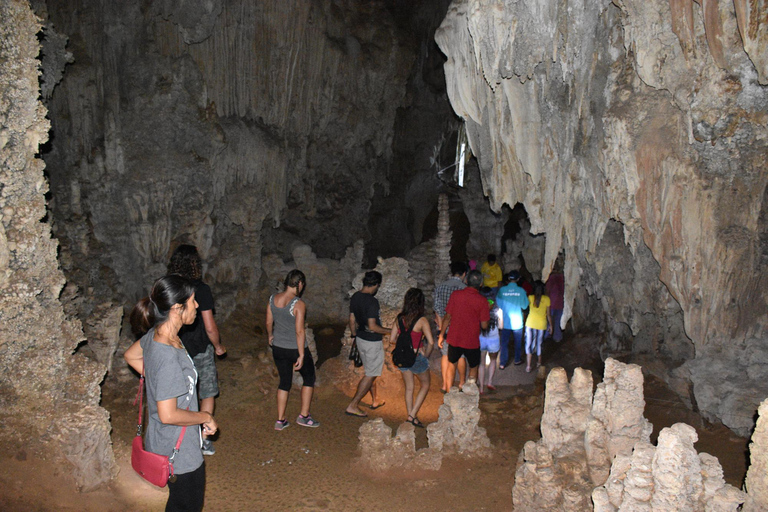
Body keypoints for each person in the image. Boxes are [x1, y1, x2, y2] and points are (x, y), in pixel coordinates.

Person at [124, 275, 218, 512]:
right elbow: (168, 414)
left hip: (164, 439)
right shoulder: (166, 354)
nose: (197, 306)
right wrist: (205, 417)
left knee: (178, 504)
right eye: (193, 301)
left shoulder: (159, 335)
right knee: (187, 505)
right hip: (179, 452)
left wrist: (162, 383)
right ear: (177, 308)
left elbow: (131, 356)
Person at [167, 244, 226, 455]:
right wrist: (218, 346)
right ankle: (203, 438)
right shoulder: (200, 290)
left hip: (173, 348)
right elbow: (209, 326)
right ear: (195, 265)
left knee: (178, 394)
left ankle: (178, 438)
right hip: (200, 348)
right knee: (207, 391)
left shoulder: (168, 287)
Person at [266, 270, 319, 430]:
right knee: (309, 378)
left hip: (278, 348)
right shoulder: (298, 304)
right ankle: (304, 416)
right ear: (300, 284)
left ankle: (280, 420)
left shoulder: (272, 299)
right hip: (294, 349)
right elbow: (299, 331)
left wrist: (270, 336)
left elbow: (269, 322)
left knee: (284, 382)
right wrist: (302, 354)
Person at [345, 271, 391, 417]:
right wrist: (391, 331)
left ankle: (375, 399)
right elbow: (373, 326)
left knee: (370, 371)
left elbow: (352, 319)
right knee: (371, 374)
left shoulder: (356, 297)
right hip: (372, 342)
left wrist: (354, 335)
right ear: (376, 284)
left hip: (360, 339)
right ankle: (353, 405)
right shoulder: (372, 301)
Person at [437, 270, 490, 389]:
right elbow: (484, 326)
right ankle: (469, 393)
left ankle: (449, 392)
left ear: (466, 281)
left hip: (454, 337)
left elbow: (447, 317)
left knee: (452, 364)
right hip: (471, 340)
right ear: (481, 284)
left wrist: (441, 334)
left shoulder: (456, 295)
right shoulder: (482, 301)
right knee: (473, 366)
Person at [390, 288, 434, 427]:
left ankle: (411, 416)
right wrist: (425, 355)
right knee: (425, 385)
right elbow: (431, 342)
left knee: (409, 387)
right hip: (416, 357)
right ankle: (412, 415)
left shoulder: (399, 318)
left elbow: (392, 339)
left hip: (402, 358)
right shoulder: (421, 320)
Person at [433, 261, 468, 393]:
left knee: (445, 355)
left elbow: (437, 309)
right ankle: (462, 383)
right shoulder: (464, 288)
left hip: (444, 327)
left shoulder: (440, 287)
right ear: (464, 274)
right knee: (461, 356)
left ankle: (444, 384)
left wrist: (442, 329)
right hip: (460, 327)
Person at [495, 271, 529, 368]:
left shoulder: (502, 290)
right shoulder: (521, 291)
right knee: (518, 342)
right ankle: (517, 359)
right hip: (517, 322)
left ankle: (502, 363)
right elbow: (525, 306)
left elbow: (499, 305)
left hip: (505, 321)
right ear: (518, 279)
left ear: (508, 279)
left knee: (504, 343)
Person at [478, 288, 502, 394]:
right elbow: (501, 326)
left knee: (481, 363)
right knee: (493, 361)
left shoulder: (478, 309)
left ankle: (481, 388)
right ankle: (490, 382)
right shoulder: (497, 310)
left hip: (481, 338)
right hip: (494, 338)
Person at [525, 280, 552, 372]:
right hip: (541, 324)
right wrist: (551, 326)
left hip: (530, 324)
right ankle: (539, 363)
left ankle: (528, 366)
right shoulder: (547, 299)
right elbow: (548, 314)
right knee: (539, 343)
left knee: (529, 344)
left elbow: (526, 309)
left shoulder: (530, 297)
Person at [545, 262, 565, 343]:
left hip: (551, 303)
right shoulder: (562, 278)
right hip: (560, 303)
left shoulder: (551, 278)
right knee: (557, 321)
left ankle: (546, 335)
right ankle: (557, 337)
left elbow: (547, 290)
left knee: (548, 320)